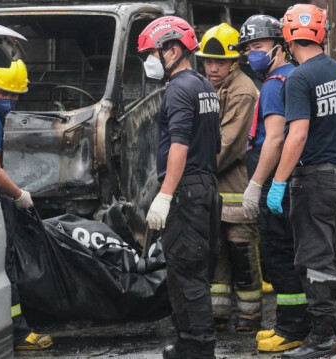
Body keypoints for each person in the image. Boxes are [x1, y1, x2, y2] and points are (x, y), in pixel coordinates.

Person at [266, 4, 336, 359]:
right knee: (331, 257)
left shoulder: (299, 78)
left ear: (288, 38)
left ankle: (321, 338)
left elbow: (297, 135)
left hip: (314, 180)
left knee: (313, 260)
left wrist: (278, 182)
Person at [138, 16, 222, 359]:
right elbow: (215, 144)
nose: (149, 61)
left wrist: (165, 194)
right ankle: (188, 343)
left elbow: (179, 145)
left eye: (153, 53)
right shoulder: (204, 85)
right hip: (203, 186)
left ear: (172, 49)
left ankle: (200, 349)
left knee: (187, 273)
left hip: (186, 191)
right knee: (185, 270)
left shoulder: (178, 89)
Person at [236, 15, 311, 353]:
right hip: (299, 180)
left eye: (258, 47)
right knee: (296, 253)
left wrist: (256, 183)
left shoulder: (274, 83)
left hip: (278, 183)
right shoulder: (296, 76)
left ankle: (291, 328)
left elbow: (275, 139)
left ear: (279, 48)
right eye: (248, 48)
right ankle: (294, 323)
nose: (252, 54)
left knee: (279, 255)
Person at [0, 60, 53, 351]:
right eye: (6, 94)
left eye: (16, 95)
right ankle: (17, 334)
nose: (11, 100)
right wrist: (18, 195)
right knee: (6, 267)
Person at [195, 23, 262, 332]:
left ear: (235, 61)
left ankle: (250, 316)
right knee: (217, 253)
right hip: (215, 193)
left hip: (237, 190)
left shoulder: (243, 91)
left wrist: (190, 170)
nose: (212, 67)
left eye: (219, 61)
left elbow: (229, 146)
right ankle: (218, 315)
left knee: (241, 252)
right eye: (208, 61)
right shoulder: (209, 88)